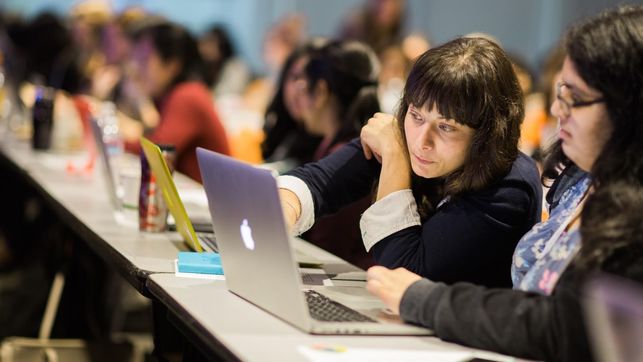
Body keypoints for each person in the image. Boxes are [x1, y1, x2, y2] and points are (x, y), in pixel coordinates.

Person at [365, 5, 643, 362]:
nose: (559, 111)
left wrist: (424, 300)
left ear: (629, 108)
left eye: (577, 99)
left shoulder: (628, 213)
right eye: (561, 93)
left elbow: (561, 325)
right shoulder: (579, 178)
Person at [279, 37, 542, 287]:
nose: (421, 141)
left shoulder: (509, 186)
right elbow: (316, 182)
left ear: (487, 134)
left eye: (446, 127)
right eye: (416, 115)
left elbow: (407, 270)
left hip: (453, 333)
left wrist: (394, 158)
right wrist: (284, 209)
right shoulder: (403, 135)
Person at [121, 21, 230, 182]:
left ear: (172, 65)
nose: (135, 68)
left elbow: (156, 152)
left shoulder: (188, 96)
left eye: (144, 60)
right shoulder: (174, 94)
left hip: (209, 201)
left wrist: (112, 141)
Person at [261, 40, 325, 172]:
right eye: (294, 77)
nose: (300, 87)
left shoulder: (328, 146)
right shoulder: (282, 128)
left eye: (310, 79)